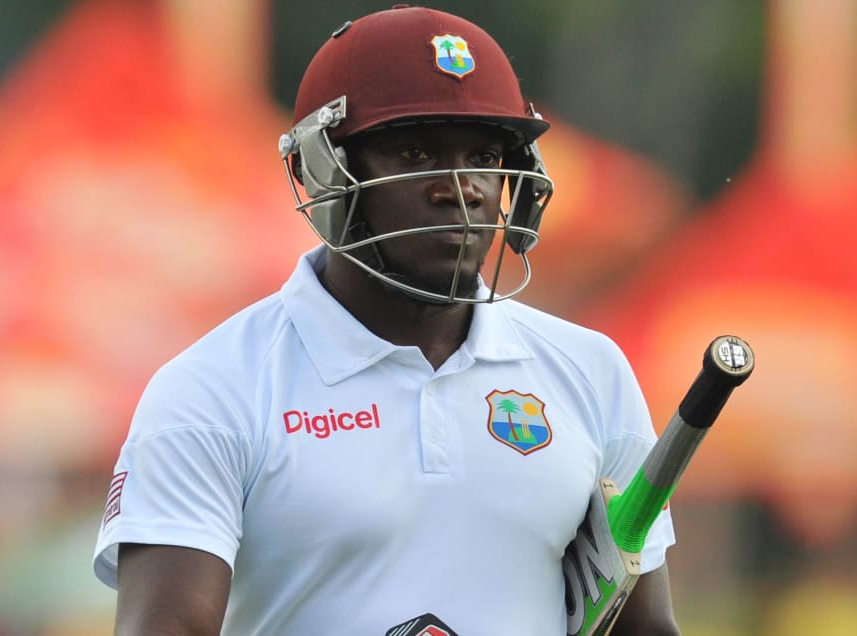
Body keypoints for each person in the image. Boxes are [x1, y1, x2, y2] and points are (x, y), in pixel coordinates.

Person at [93, 5, 680, 635]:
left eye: (484, 154)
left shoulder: (590, 371)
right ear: (321, 172)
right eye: (416, 151)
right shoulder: (214, 388)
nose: (461, 187)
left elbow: (641, 626)